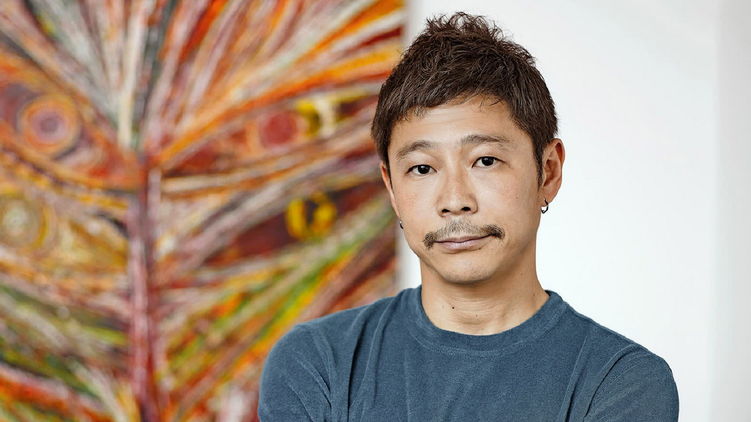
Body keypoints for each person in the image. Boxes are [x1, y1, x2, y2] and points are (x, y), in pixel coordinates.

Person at [258, 12, 679, 421]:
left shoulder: (620, 381)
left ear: (548, 172)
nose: (454, 200)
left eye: (486, 160)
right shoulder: (318, 363)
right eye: (422, 168)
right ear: (392, 188)